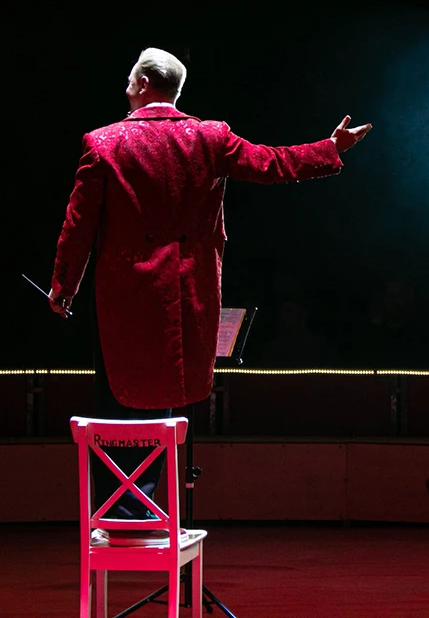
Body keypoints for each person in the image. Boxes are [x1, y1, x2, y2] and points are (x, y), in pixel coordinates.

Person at [48, 47, 371, 539]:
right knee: (173, 400)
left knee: (117, 403)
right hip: (187, 296)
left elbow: (78, 227)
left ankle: (119, 514)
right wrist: (331, 147)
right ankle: (161, 512)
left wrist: (62, 287)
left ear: (139, 84)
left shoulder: (103, 144)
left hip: (125, 298)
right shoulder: (209, 137)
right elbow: (273, 164)